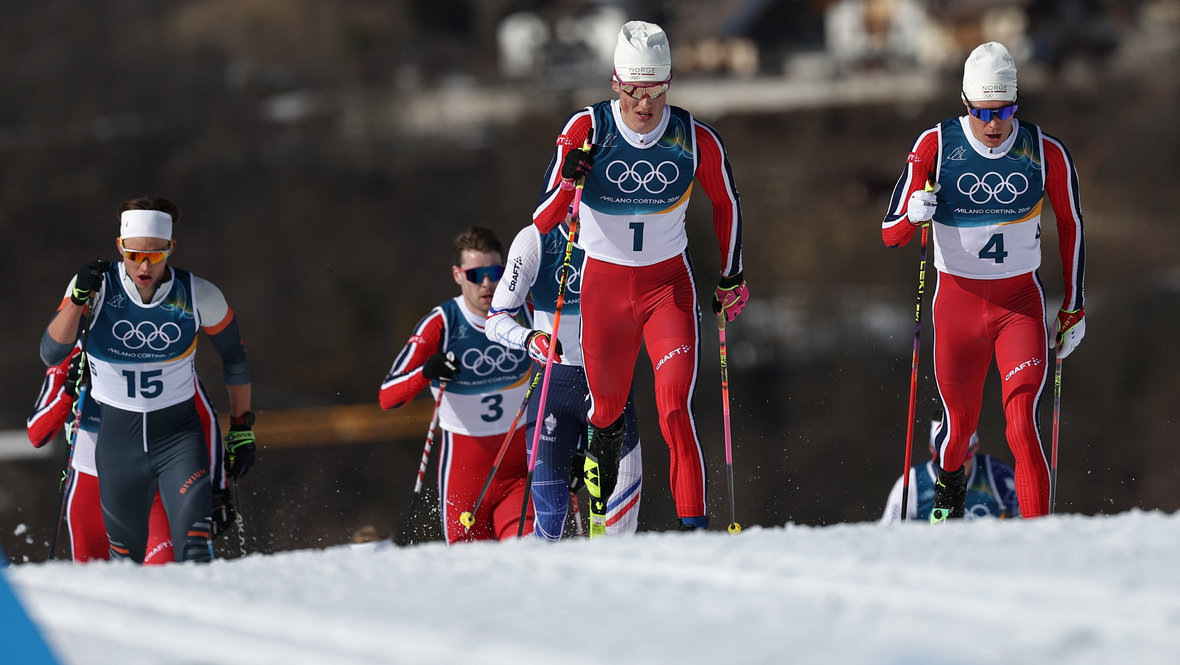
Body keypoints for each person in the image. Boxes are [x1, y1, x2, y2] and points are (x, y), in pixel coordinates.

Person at [531, 20, 747, 531]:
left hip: (667, 290)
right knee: (605, 414)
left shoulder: (694, 137)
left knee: (675, 410)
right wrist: (569, 184)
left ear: (668, 83)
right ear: (616, 83)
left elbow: (727, 203)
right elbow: (541, 219)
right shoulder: (587, 128)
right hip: (604, 292)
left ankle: (695, 533)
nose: (644, 103)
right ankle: (598, 515)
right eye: (633, 90)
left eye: (654, 90)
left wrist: (731, 275)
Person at [882, 42, 1086, 522]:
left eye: (1004, 111)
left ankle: (1040, 540)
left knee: (1023, 427)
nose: (994, 124)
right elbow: (891, 234)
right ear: (965, 104)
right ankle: (948, 507)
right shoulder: (935, 145)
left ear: (1016, 103)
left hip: (1020, 306)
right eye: (982, 112)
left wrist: (1074, 306)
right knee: (957, 434)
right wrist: (912, 216)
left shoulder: (1044, 151)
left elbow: (1072, 224)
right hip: (958, 307)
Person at [40, 197, 256, 563]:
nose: (144, 266)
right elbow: (52, 353)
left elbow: (235, 357)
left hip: (178, 441)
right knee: (125, 561)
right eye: (134, 254)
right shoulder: (96, 288)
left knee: (195, 549)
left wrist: (241, 427)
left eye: (155, 255)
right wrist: (77, 300)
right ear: (119, 247)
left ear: (171, 248)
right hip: (118, 446)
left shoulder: (198, 294)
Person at [486, 221, 643, 540]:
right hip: (554, 386)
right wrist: (530, 338)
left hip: (610, 385)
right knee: (550, 521)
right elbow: (496, 319)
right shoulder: (535, 240)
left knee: (618, 528)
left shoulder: (622, 227)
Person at [379, 227, 536, 543]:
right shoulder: (443, 322)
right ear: (458, 275)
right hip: (465, 475)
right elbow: (388, 397)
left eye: (495, 272)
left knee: (527, 554)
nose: (487, 283)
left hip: (520, 469)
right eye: (476, 275)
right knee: (470, 567)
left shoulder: (527, 315)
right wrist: (427, 371)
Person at [27, 345, 234, 563]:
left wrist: (217, 488)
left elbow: (205, 417)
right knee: (96, 582)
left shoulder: (154, 345)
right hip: (89, 492)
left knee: (166, 575)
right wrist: (70, 389)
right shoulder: (73, 349)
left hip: (148, 490)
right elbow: (37, 434)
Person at [881, 420, 1020, 523]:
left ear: (976, 447)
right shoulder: (913, 480)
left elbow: (1025, 519)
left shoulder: (994, 473)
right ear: (932, 449)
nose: (957, 464)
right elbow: (889, 531)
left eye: (965, 454)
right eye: (945, 457)